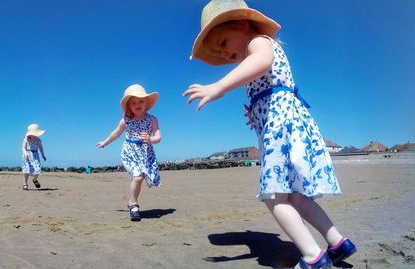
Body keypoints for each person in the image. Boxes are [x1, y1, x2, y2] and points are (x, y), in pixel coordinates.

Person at [183, 1, 356, 268]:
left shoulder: (259, 42)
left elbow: (262, 62)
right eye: (218, 50)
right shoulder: (251, 59)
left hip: (281, 124)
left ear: (242, 25)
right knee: (296, 196)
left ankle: (313, 257)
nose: (223, 51)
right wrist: (255, 110)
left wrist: (218, 87)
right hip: (283, 124)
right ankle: (337, 242)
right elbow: (267, 86)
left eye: (224, 41)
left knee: (274, 197)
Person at [97, 84, 162, 221]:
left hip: (145, 153)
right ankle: (133, 204)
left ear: (146, 102)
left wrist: (150, 139)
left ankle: (132, 201)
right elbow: (116, 134)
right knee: (138, 177)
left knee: (140, 178)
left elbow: (158, 137)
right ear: (129, 106)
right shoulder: (126, 120)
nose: (137, 104)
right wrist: (105, 142)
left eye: (140, 101)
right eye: (133, 102)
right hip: (130, 152)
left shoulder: (152, 119)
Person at [21, 123, 47, 191]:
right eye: (34, 134)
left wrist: (43, 155)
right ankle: (25, 184)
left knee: (37, 170)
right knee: (26, 170)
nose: (35, 136)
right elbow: (23, 148)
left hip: (35, 155)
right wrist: (25, 153)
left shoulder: (38, 140)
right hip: (27, 155)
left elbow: (41, 148)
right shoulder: (26, 139)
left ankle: (35, 180)